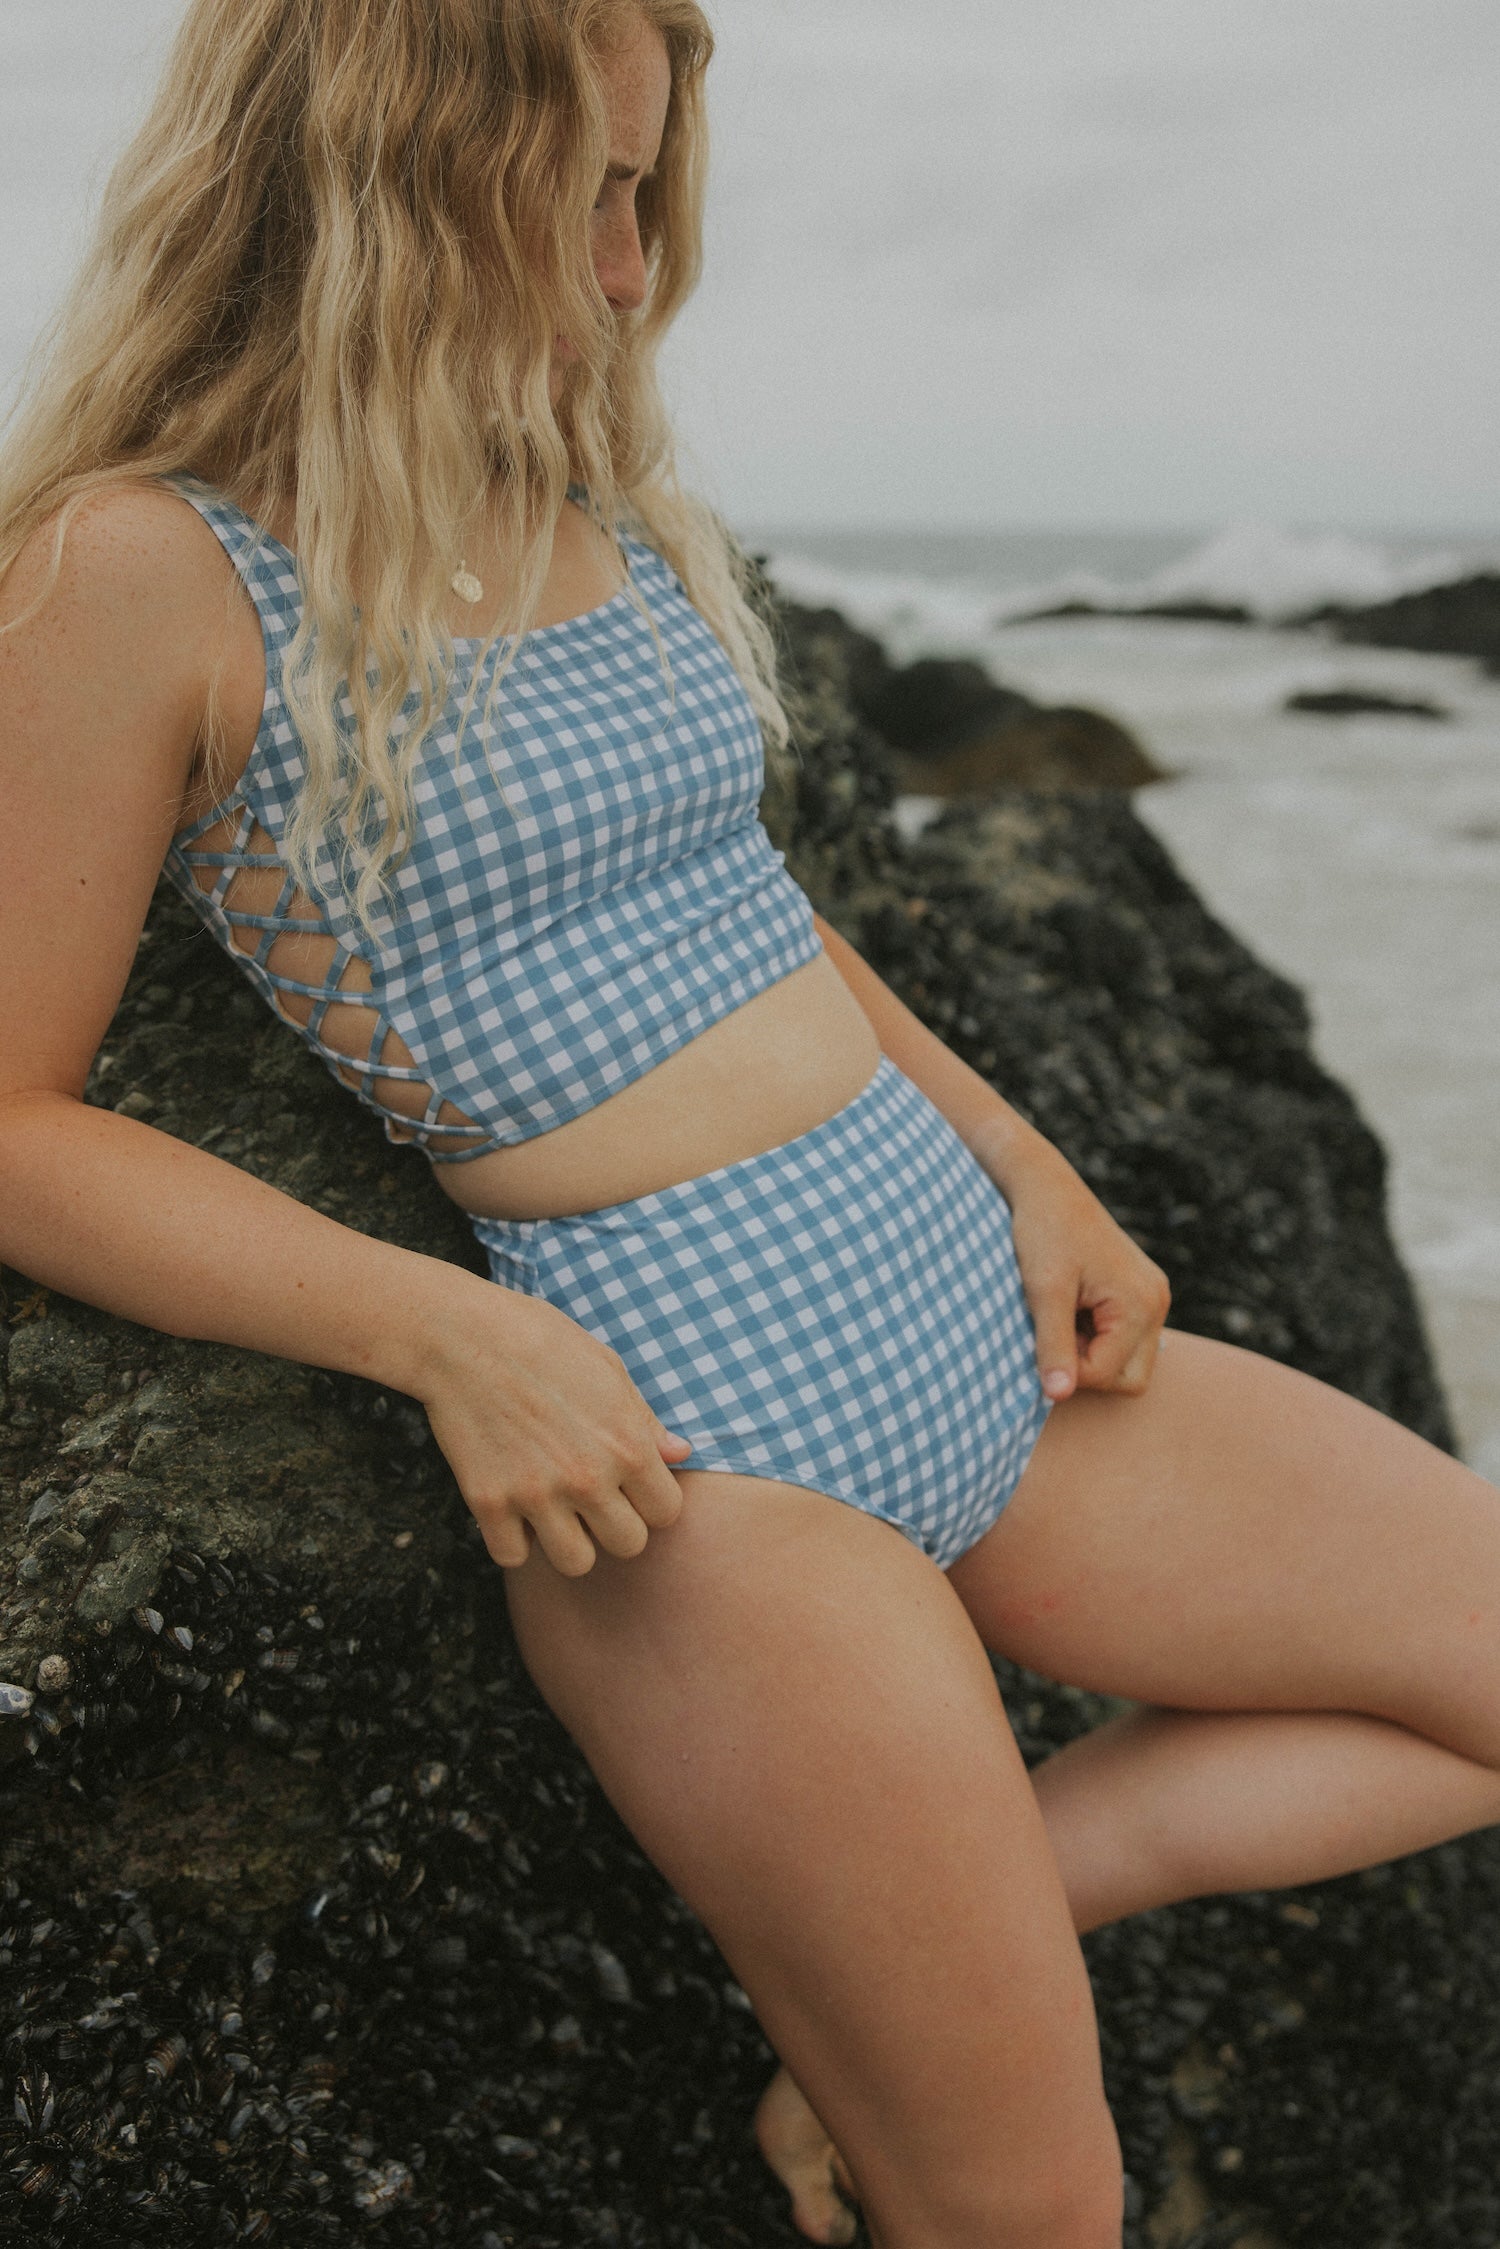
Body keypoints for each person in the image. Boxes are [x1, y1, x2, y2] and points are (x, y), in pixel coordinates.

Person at [1, 3, 1496, 2243]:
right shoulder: (147, 565)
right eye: (589, 197)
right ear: (391, 183)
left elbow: (743, 897)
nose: (632, 271)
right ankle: (914, 2034)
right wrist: (449, 1338)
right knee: (1033, 2211)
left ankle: (941, 1954)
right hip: (704, 1472)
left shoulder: (573, 484)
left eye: (647, 193)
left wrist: (1022, 1156)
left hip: (966, 1313)